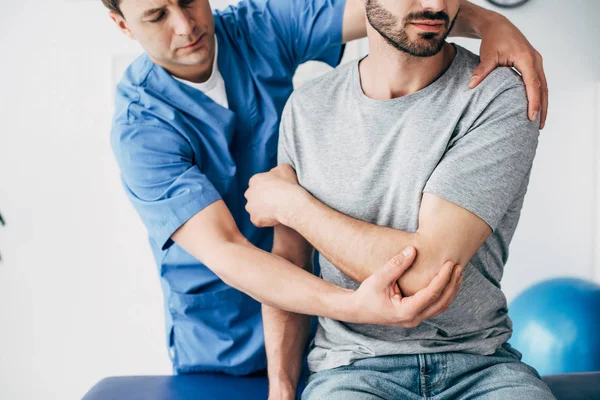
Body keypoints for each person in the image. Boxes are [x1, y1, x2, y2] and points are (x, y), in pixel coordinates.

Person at [104, 0, 549, 377]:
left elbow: (388, 11)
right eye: (156, 15)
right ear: (123, 25)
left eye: (187, 0)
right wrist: (355, 306)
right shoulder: (141, 127)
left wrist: (494, 22)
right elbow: (228, 251)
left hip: (338, 317)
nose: (186, 26)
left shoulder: (261, 27)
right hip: (226, 330)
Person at [244, 0, 555, 398]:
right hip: (351, 369)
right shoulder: (307, 108)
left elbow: (425, 273)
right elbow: (289, 261)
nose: (436, 5)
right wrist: (282, 390)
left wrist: (293, 206)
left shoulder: (498, 93)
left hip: (481, 365)